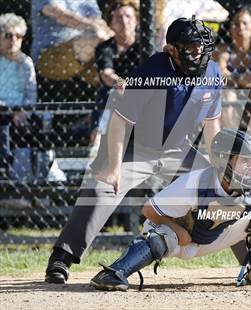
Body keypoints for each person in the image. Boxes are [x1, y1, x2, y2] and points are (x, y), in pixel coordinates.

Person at [44, 16, 224, 284]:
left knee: (225, 189)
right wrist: (114, 167)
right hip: (138, 147)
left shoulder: (212, 72)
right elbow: (120, 121)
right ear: (171, 50)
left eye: (202, 46)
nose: (199, 53)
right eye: (191, 47)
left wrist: (220, 168)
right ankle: (61, 258)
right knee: (101, 190)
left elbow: (212, 126)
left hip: (177, 150)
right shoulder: (152, 71)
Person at [89, 129, 251, 291]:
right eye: (245, 161)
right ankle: (114, 273)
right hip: (179, 238)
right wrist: (175, 229)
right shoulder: (196, 183)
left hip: (209, 239)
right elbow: (149, 210)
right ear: (224, 160)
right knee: (161, 237)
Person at [213, 5, 251, 145]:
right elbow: (219, 76)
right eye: (236, 24)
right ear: (229, 28)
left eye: (245, 23)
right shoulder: (222, 50)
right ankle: (235, 142)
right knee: (227, 94)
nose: (241, 27)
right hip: (231, 91)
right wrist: (241, 80)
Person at [92, 0, 140, 151]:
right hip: (115, 93)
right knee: (109, 92)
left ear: (137, 20)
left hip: (141, 95)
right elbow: (107, 75)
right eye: (118, 18)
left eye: (128, 16)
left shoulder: (144, 46)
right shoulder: (105, 48)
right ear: (110, 23)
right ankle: (97, 139)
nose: (124, 21)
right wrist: (122, 85)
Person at [31, 0, 113, 85]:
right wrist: (91, 26)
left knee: (117, 43)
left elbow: (97, 21)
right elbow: (57, 14)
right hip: (50, 55)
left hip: (87, 53)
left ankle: (120, 86)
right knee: (99, 38)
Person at [0, 13, 41, 181]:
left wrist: (23, 112)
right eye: (8, 35)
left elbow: (31, 93)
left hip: (21, 112)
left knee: (34, 129)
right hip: (2, 110)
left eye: (18, 36)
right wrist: (8, 110)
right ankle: (3, 176)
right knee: (3, 127)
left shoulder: (26, 63)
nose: (14, 40)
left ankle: (32, 180)